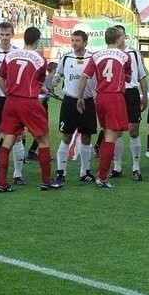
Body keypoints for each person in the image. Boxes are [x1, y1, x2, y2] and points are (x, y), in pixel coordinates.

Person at [0, 27, 63, 192]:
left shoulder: (10, 55)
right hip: (29, 102)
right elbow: (38, 83)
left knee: (7, 140)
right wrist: (41, 89)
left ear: (23, 38)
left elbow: (0, 78)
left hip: (11, 101)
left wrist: (8, 92)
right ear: (38, 40)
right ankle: (46, 181)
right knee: (43, 140)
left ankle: (1, 183)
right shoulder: (40, 59)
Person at [77, 27, 132, 188]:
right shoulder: (125, 56)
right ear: (118, 39)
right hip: (115, 97)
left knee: (109, 133)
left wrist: (80, 97)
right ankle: (102, 176)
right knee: (111, 137)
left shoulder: (96, 56)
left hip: (100, 98)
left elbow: (84, 77)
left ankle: (102, 174)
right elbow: (128, 78)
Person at [0, 22, 26, 187]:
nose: (5, 38)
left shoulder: (18, 53)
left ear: (12, 35)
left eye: (8, 34)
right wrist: (6, 88)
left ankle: (18, 173)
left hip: (14, 99)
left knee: (17, 136)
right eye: (2, 34)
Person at [54, 30, 97, 183]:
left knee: (86, 136)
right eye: (72, 40)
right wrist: (55, 79)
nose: (74, 43)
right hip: (70, 101)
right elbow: (57, 74)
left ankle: (84, 172)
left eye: (77, 41)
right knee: (66, 136)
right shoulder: (66, 57)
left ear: (85, 42)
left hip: (88, 101)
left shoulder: (93, 58)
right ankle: (61, 172)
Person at [109, 25, 148, 181]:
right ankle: (117, 167)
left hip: (131, 93)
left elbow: (142, 75)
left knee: (134, 130)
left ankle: (136, 167)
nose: (119, 38)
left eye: (121, 35)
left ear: (125, 36)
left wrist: (145, 95)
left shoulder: (134, 53)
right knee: (116, 131)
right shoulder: (109, 54)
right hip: (116, 94)